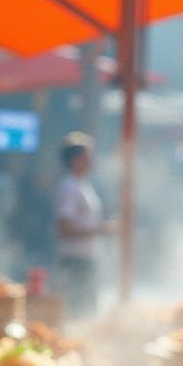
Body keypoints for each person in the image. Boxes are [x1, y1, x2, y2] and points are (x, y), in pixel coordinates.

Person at [53, 132, 113, 319]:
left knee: (88, 310)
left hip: (85, 259)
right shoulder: (69, 187)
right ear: (77, 159)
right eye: (89, 155)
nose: (92, 159)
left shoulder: (82, 185)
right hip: (74, 262)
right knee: (77, 312)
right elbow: (64, 228)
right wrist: (101, 229)